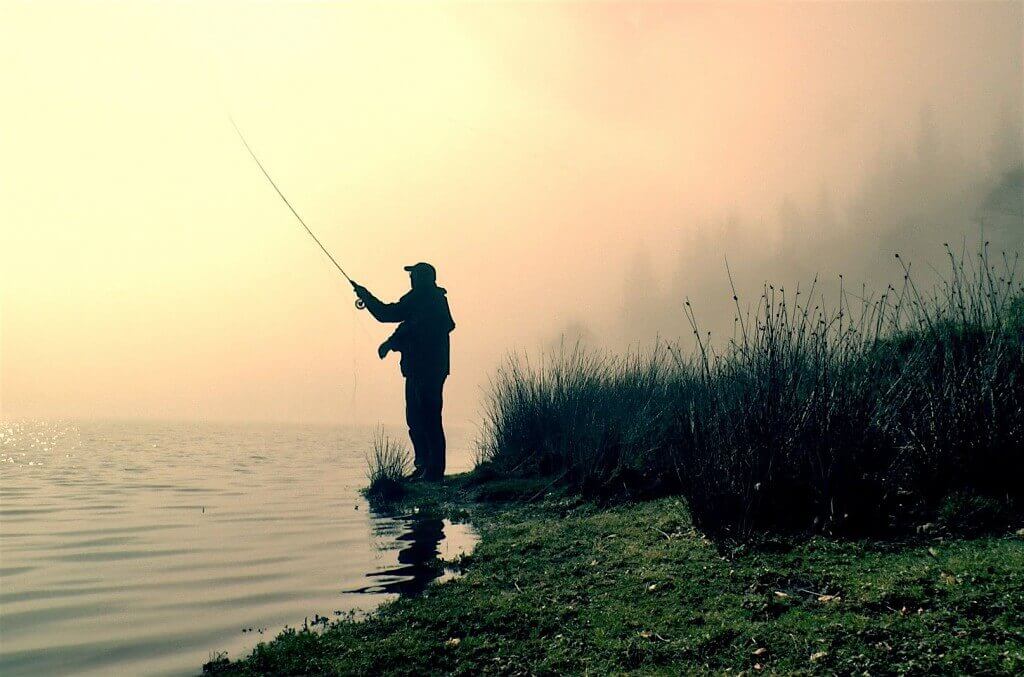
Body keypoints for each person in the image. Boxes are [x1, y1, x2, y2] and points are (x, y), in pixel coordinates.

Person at [351, 263, 455, 481]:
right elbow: (408, 325)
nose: (411, 279)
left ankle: (433, 471)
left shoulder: (425, 299)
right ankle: (424, 466)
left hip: (426, 370)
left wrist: (365, 296)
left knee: (428, 419)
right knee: (416, 419)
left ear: (423, 278)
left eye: (414, 275)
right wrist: (390, 343)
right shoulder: (424, 300)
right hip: (422, 370)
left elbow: (387, 314)